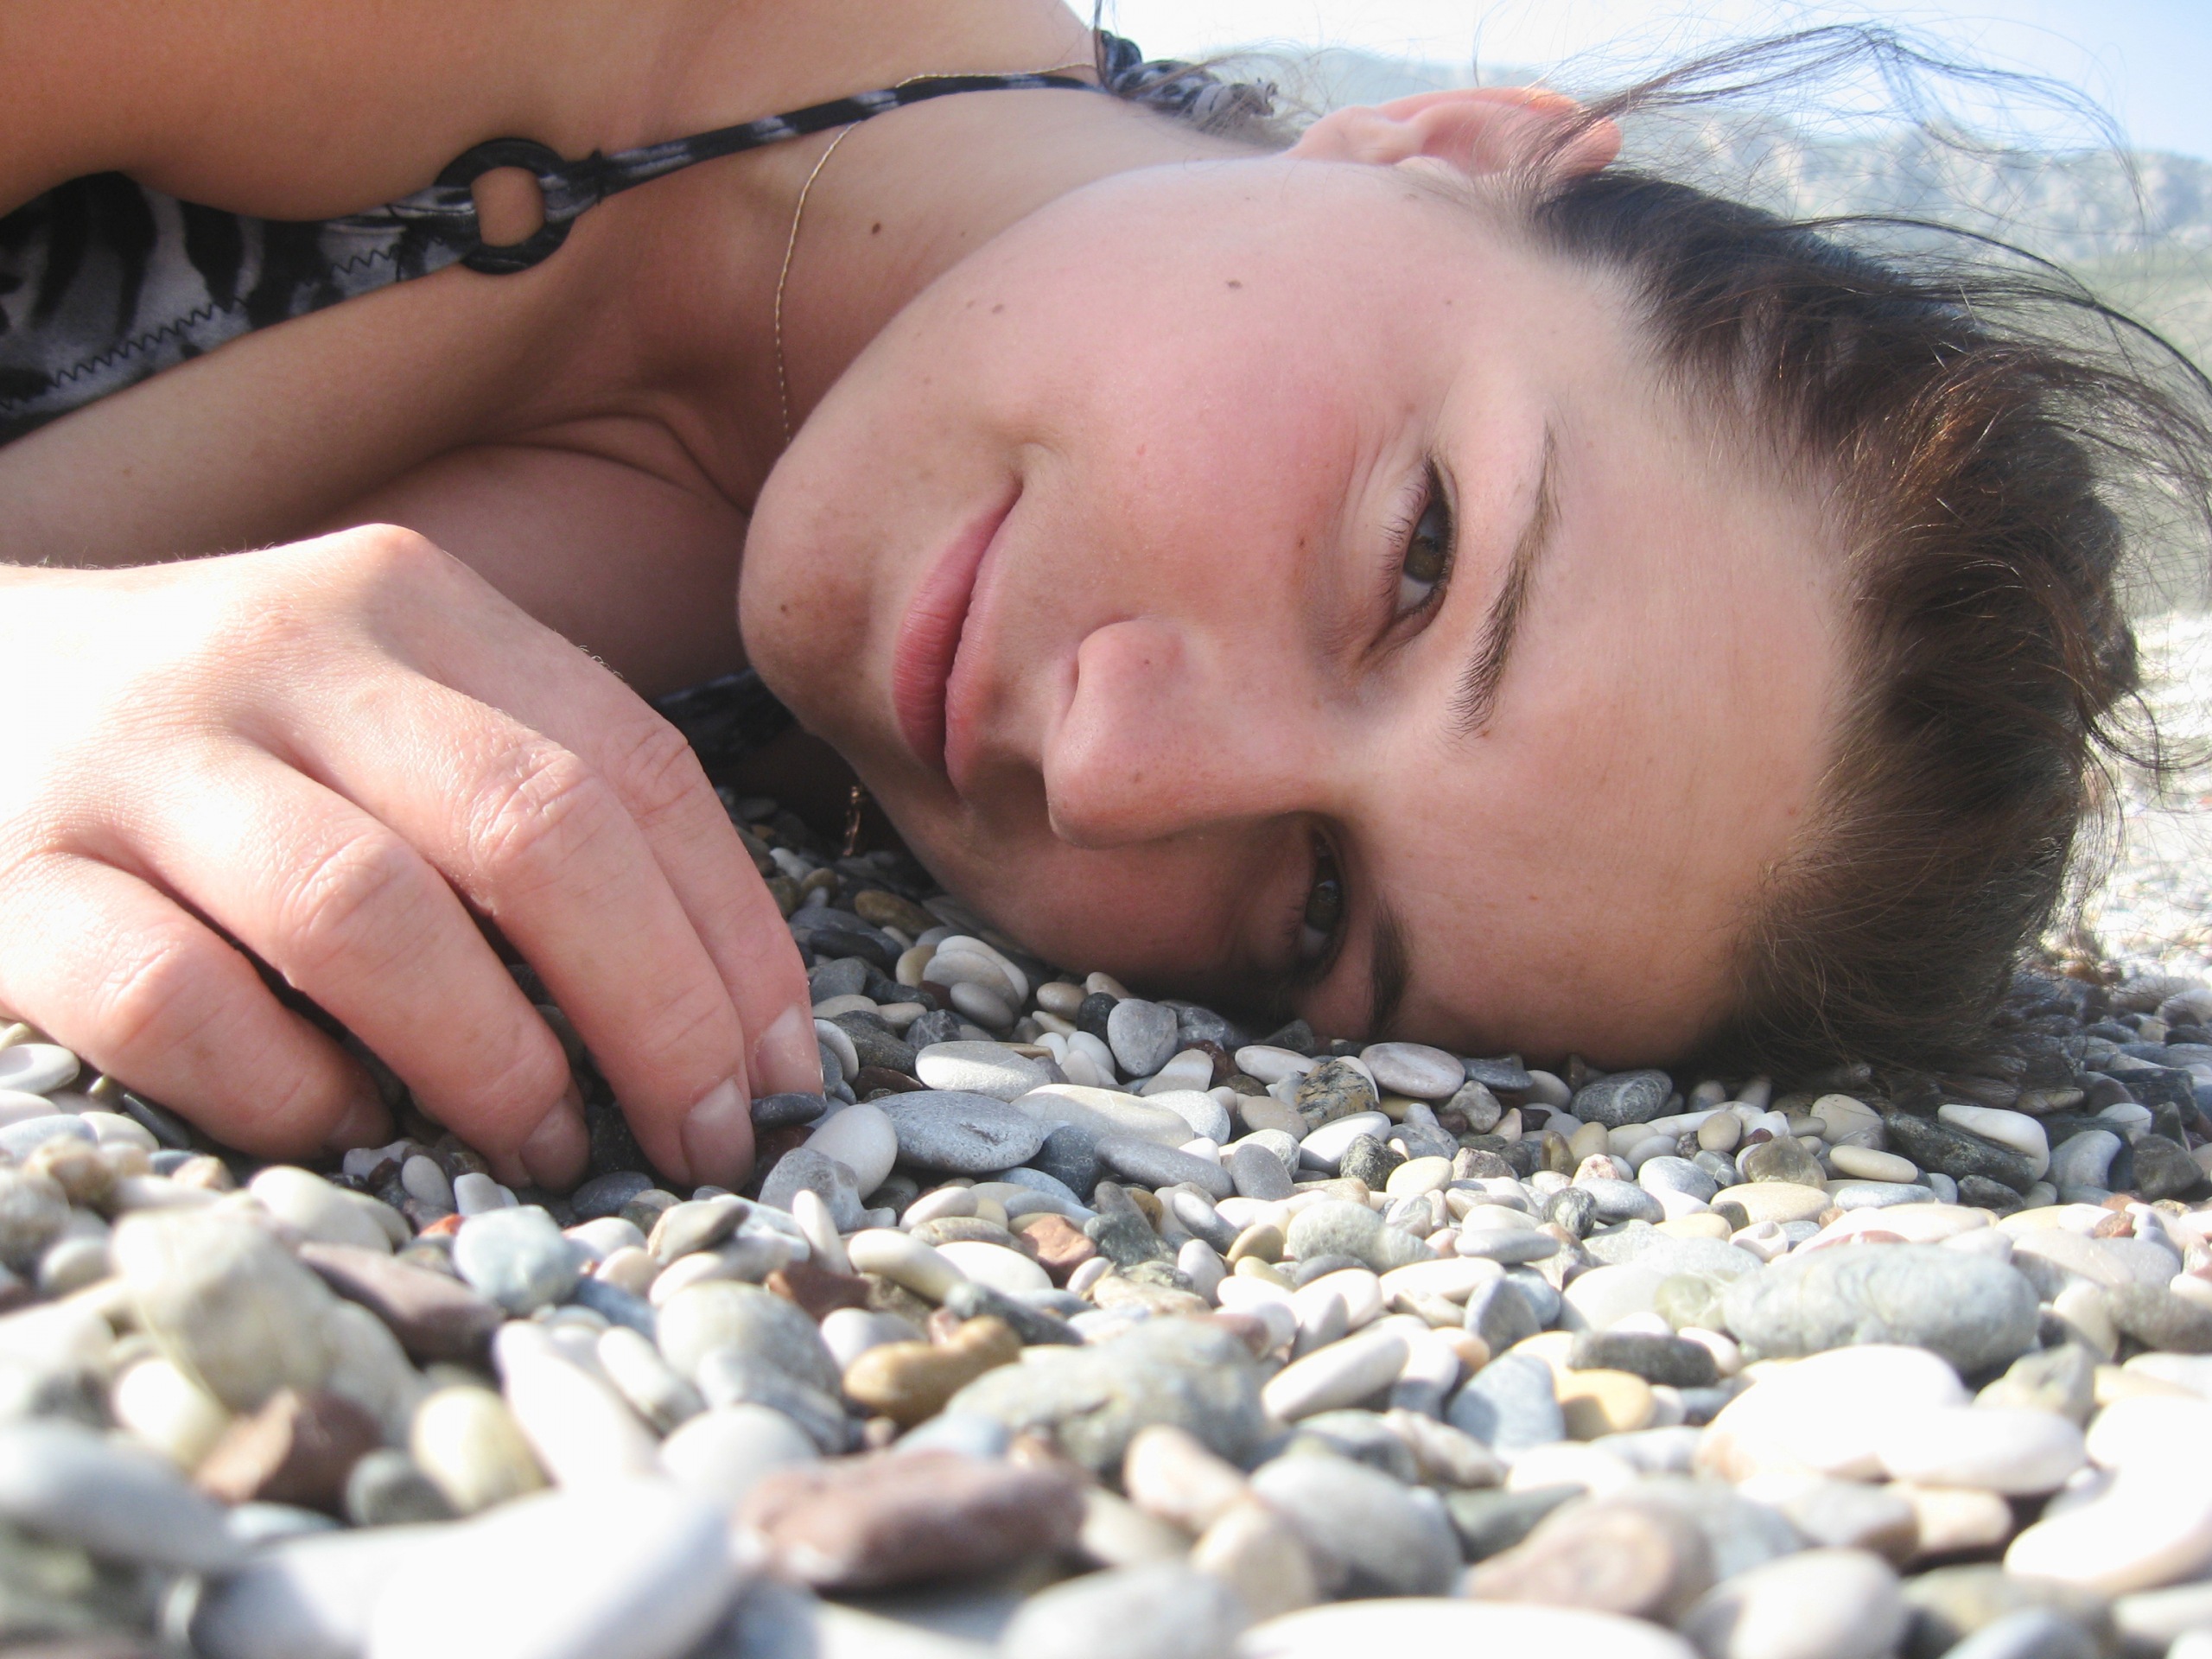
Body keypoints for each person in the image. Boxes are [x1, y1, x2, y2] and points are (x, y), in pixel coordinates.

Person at [0, 3, 2202, 1194]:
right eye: (1415, 562)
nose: (1118, 771)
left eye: (1312, 915)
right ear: (1448, 147)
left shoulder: (741, 705)